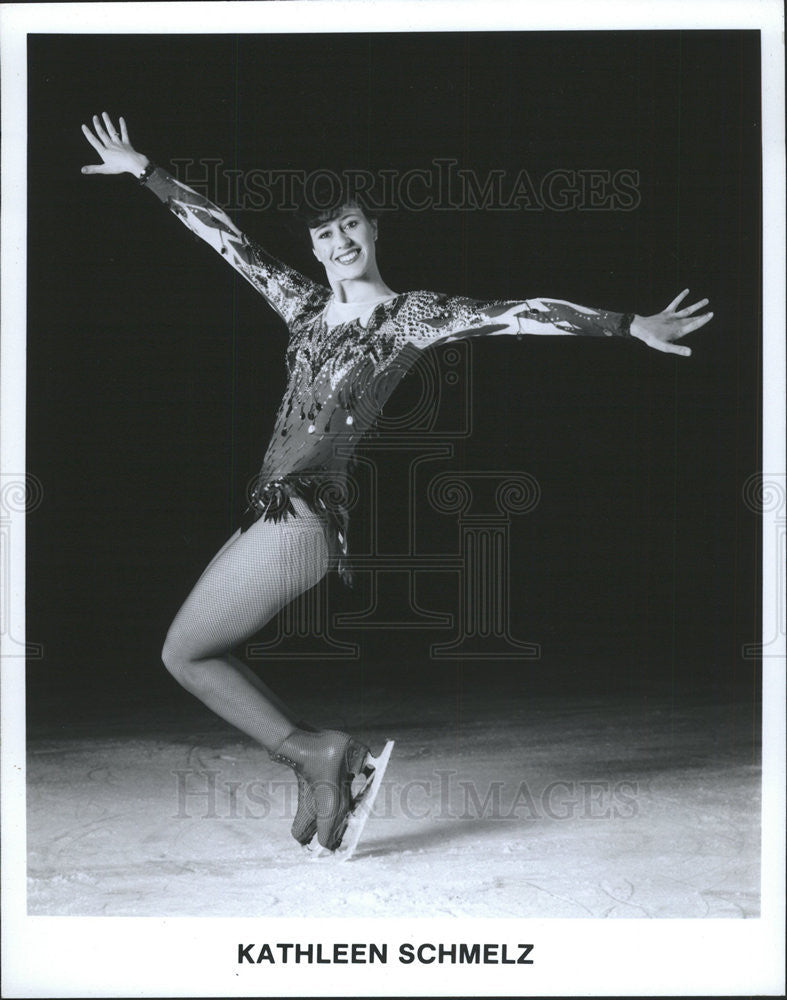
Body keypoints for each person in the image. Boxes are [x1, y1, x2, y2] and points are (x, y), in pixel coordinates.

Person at [81, 112, 713, 854]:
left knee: (183, 653)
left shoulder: (414, 316)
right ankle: (316, 759)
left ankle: (318, 756)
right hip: (273, 509)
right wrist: (145, 170)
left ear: (372, 230)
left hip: (307, 514)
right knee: (188, 652)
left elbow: (517, 313)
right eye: (323, 235)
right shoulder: (303, 305)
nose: (338, 242)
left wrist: (625, 323)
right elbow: (226, 238)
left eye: (349, 225)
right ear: (313, 250)